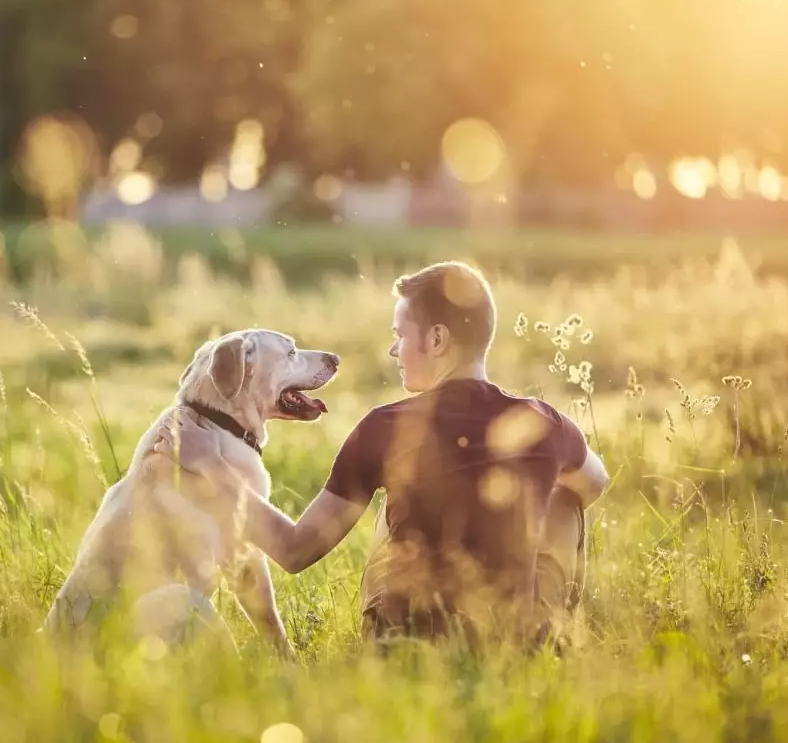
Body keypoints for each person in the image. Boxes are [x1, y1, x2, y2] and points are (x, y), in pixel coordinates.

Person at [155, 261, 610, 648]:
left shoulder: (385, 426)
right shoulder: (542, 420)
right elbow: (595, 484)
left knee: (390, 499)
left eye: (400, 335)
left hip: (401, 644)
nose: (393, 348)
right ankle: (552, 634)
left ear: (436, 340)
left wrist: (214, 472)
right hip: (511, 645)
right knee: (565, 497)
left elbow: (294, 551)